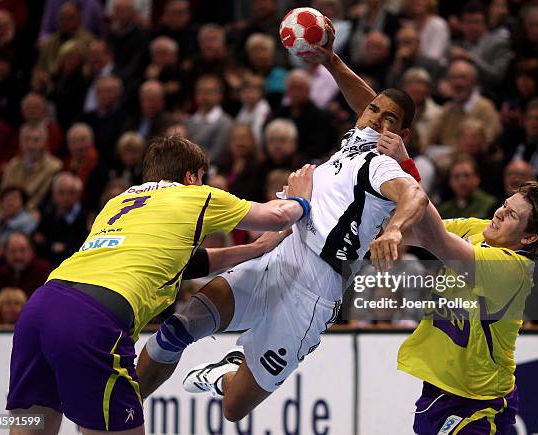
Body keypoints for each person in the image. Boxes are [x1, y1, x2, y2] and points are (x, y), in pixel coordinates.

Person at [136, 18, 428, 422]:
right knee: (182, 324)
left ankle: (227, 374)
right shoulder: (361, 132)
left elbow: (414, 193)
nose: (375, 118)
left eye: (388, 121)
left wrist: (394, 227)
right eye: (373, 111)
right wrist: (330, 59)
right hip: (282, 252)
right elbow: (369, 102)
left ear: (402, 134)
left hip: (315, 289)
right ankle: (120, 410)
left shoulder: (383, 163)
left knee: (234, 408)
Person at [6, 134, 315, 434]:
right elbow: (276, 216)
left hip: (39, 309)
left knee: (29, 427)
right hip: (92, 320)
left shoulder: (118, 201)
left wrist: (252, 250)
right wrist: (300, 197)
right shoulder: (196, 195)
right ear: (192, 176)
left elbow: (180, 262)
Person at [379, 136, 538, 433]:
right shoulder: (479, 230)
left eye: (511, 216)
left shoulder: (512, 269)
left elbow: (435, 239)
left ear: (528, 238)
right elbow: (418, 230)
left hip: (478, 403)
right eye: (505, 205)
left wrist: (404, 168)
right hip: (441, 388)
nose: (500, 213)